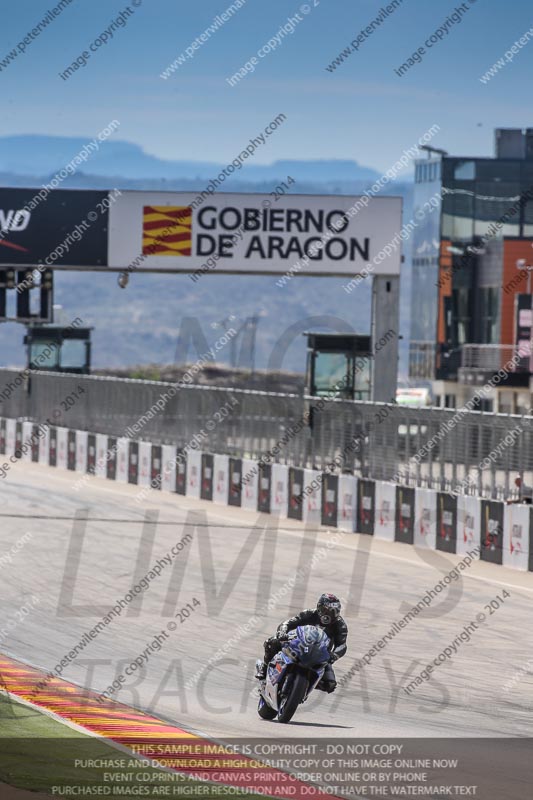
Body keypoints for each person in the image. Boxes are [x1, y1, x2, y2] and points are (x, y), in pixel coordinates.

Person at [255, 593, 348, 693]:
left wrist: (334, 655)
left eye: (334, 612)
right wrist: (282, 632)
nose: (329, 615)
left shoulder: (340, 625)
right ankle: (264, 669)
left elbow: (342, 645)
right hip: (299, 644)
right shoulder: (309, 613)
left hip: (321, 654)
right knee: (271, 642)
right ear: (319, 607)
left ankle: (305, 687)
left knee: (330, 685)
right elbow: (288, 623)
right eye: (326, 610)